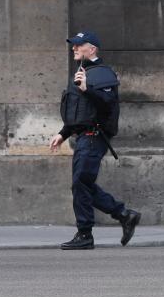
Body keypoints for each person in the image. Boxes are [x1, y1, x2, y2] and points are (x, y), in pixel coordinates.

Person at [48, 31, 140, 250]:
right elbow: (79, 112)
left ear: (92, 49)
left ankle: (85, 234)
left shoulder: (102, 73)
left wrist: (87, 90)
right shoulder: (81, 73)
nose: (74, 48)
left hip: (94, 136)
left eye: (79, 45)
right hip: (83, 136)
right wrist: (63, 134)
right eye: (73, 45)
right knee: (83, 184)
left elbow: (108, 103)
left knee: (81, 183)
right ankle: (124, 215)